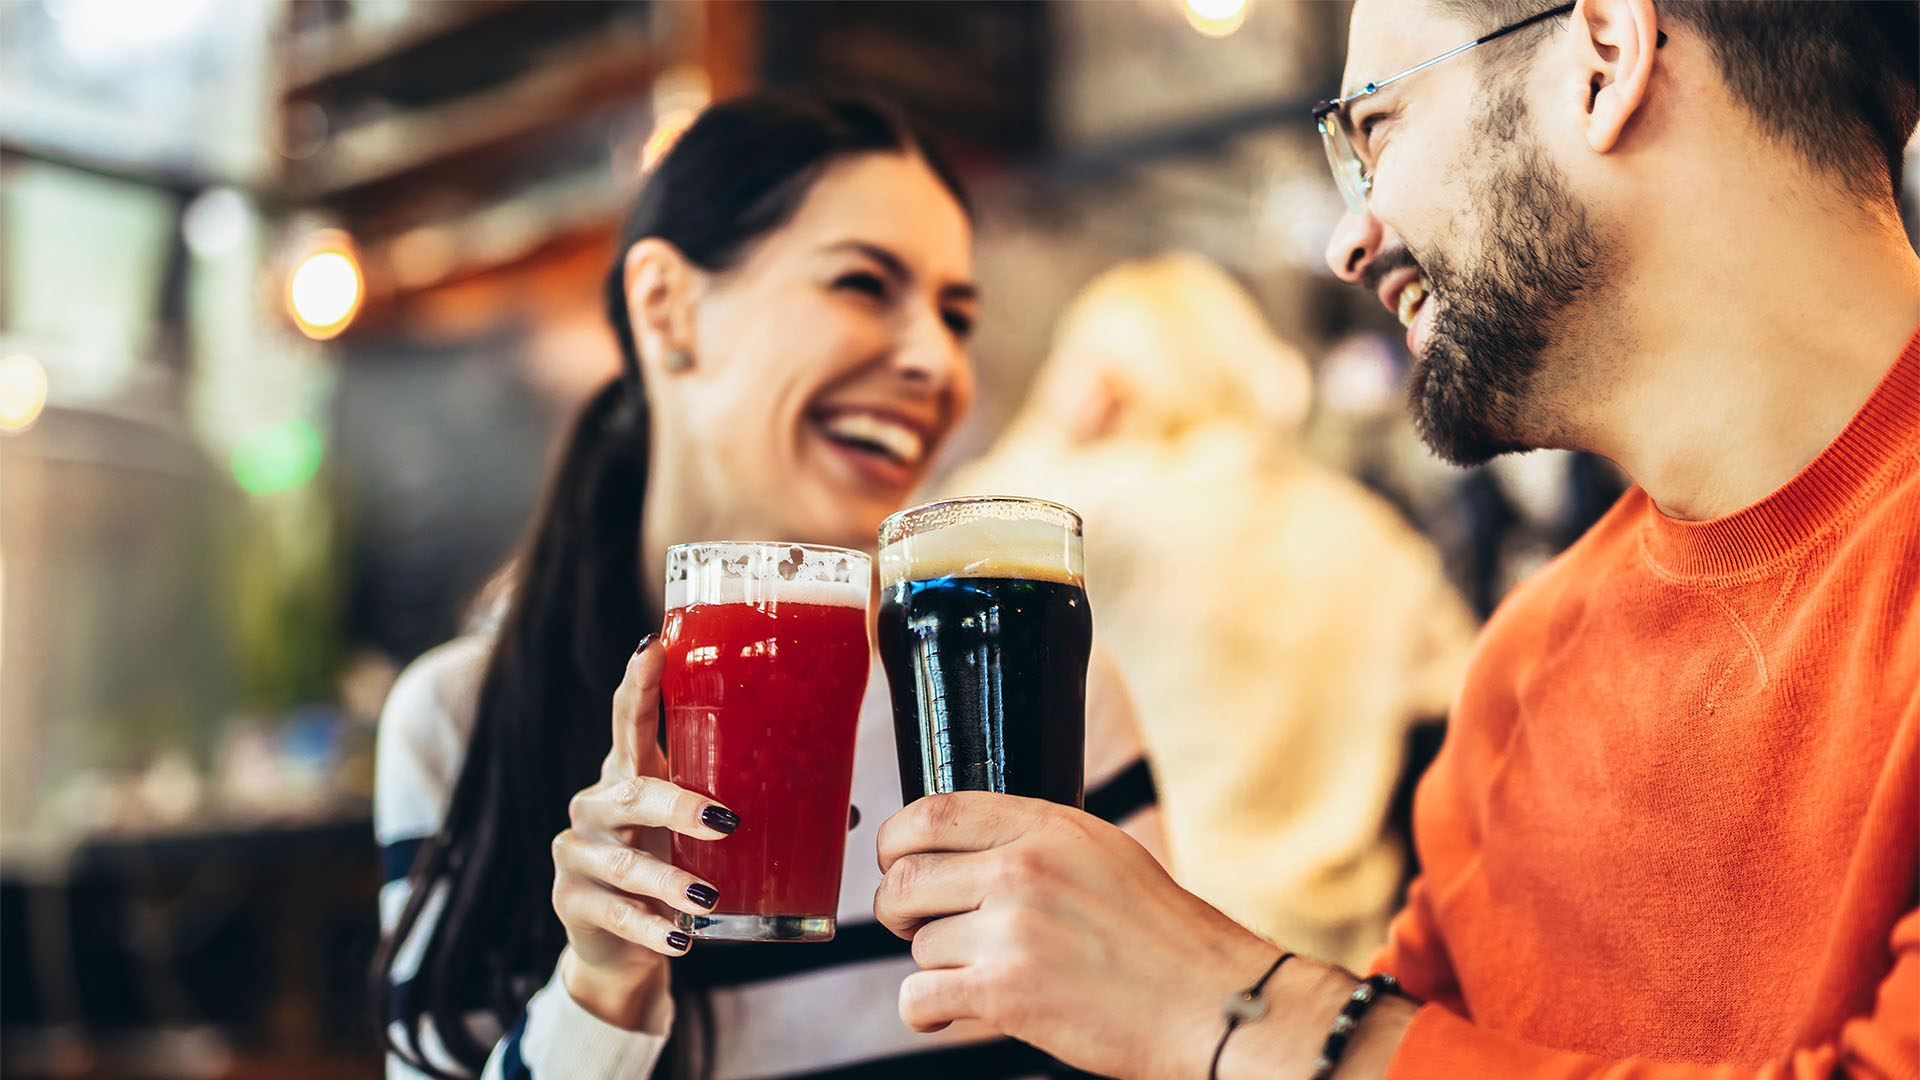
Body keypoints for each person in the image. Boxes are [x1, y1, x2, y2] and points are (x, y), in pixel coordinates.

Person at [852, 2, 1920, 1078]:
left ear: (1605, 61)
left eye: (1376, 127)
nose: (1347, 239)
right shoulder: (1522, 667)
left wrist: (1239, 1009)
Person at [371, 92, 1161, 1080]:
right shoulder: (462, 720)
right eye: (864, 284)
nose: (936, 360)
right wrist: (600, 990)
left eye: (957, 315)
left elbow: (1151, 1042)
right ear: (669, 310)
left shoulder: (1025, 695)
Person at [944, 252, 1476, 969]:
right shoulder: (1367, 532)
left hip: (1161, 950)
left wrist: (1047, 424)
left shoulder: (1100, 513)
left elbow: (935, 547)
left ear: (1102, 380)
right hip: (1340, 963)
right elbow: (1463, 692)